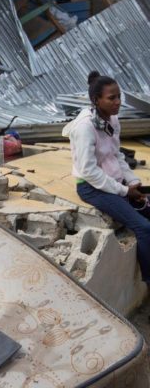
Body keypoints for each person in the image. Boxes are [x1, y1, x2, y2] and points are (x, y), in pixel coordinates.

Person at [62, 70, 150, 283]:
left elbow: (117, 155)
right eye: (112, 98)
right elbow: (88, 171)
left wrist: (132, 181)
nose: (118, 102)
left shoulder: (112, 119)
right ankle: (149, 281)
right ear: (96, 100)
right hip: (91, 187)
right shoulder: (85, 127)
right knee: (143, 227)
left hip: (114, 182)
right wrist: (123, 190)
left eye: (119, 96)